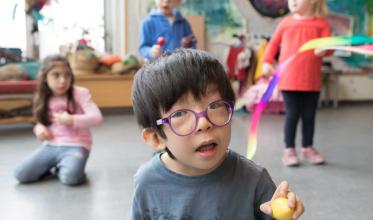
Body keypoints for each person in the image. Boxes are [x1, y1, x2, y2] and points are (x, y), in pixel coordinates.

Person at [129, 48, 304, 219]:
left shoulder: (253, 180)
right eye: (180, 113)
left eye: (214, 106)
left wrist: (285, 216)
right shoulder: (147, 183)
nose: (204, 123)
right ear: (155, 138)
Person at [14, 55, 103, 186]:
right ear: (45, 78)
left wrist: (71, 119)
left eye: (67, 75)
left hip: (77, 145)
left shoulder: (80, 93)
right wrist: (39, 129)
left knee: (71, 178)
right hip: (51, 145)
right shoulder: (43, 96)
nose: (63, 81)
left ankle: (66, 167)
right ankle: (61, 166)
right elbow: (39, 121)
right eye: (56, 75)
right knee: (21, 174)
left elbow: (97, 118)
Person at [262, 0, 331, 166]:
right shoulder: (285, 22)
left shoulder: (320, 24)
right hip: (289, 80)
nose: (292, 1)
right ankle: (289, 149)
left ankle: (307, 148)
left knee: (309, 116)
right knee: (292, 115)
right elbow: (273, 44)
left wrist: (325, 49)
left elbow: (329, 46)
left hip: (311, 81)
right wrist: (267, 61)